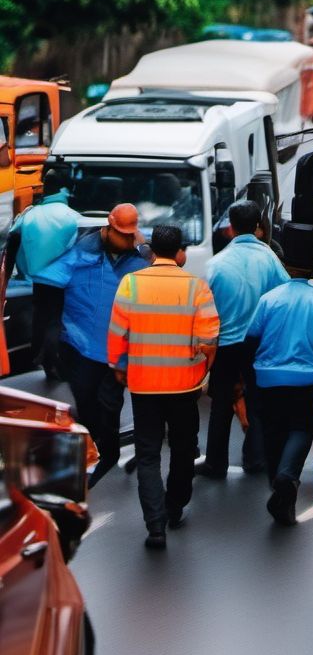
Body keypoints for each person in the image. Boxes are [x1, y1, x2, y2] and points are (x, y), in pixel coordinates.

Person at [108, 225, 219, 549]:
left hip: (143, 386)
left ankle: (155, 525)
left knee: (147, 455)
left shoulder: (131, 284)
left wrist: (118, 364)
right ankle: (174, 506)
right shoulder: (196, 287)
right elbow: (209, 340)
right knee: (184, 450)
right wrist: (203, 371)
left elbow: (117, 331)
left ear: (152, 250)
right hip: (184, 386)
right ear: (180, 251)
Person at [34, 203, 149, 487]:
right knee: (86, 402)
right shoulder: (78, 254)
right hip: (81, 347)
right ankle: (93, 450)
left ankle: (107, 454)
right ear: (107, 229)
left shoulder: (142, 259)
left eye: (129, 235)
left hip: (119, 350)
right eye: (121, 234)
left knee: (109, 406)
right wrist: (49, 334)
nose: (126, 240)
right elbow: (47, 282)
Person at [196, 200, 288, 479]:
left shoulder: (215, 265)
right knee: (258, 400)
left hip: (225, 344)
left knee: (221, 403)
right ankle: (254, 459)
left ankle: (215, 463)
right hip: (258, 343)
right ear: (258, 227)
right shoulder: (270, 259)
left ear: (230, 228)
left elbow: (203, 309)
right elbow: (284, 294)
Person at [244, 255, 313, 526]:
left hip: (269, 378)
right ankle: (287, 475)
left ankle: (277, 482)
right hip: (309, 378)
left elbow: (252, 336)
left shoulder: (270, 298)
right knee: (302, 429)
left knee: (272, 430)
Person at [4, 170, 82, 380]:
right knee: (57, 318)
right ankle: (51, 358)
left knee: (41, 316)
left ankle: (40, 355)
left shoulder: (30, 214)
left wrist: (8, 277)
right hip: (63, 281)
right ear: (65, 190)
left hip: (37, 279)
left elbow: (11, 240)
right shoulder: (72, 217)